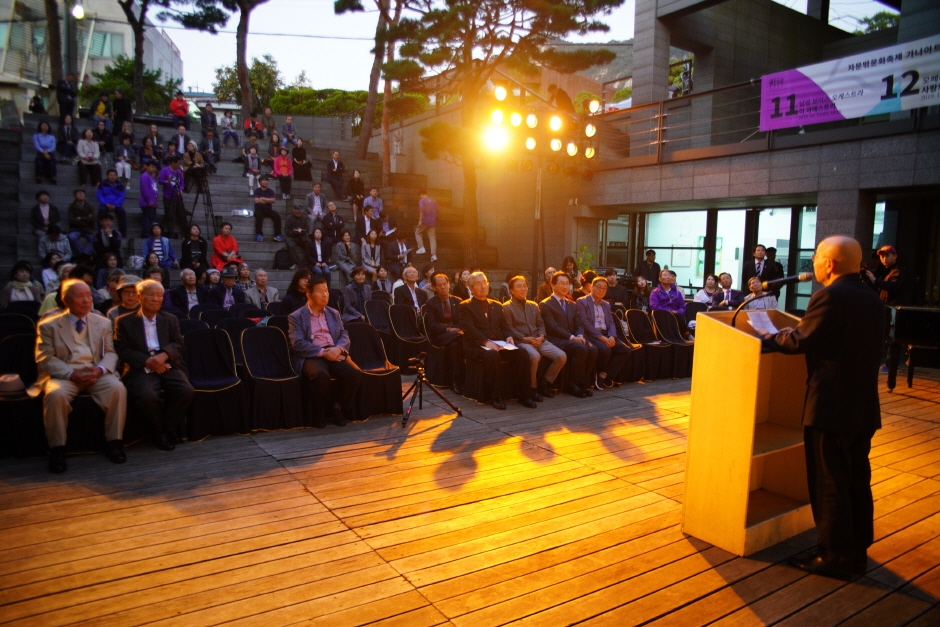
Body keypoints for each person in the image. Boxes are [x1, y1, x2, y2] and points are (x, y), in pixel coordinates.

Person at [761, 236, 884, 581]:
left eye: (815, 257)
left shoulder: (830, 295)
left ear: (829, 264)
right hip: (862, 407)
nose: (813, 263)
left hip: (830, 406)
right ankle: (856, 548)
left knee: (830, 481)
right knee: (857, 479)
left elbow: (801, 339)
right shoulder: (871, 299)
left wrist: (767, 338)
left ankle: (835, 556)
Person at [37, 279, 127, 473]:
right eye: (80, 296)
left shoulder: (102, 322)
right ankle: (57, 448)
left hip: (96, 372)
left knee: (117, 388)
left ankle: (114, 442)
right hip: (65, 374)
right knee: (55, 395)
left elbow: (111, 353)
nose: (87, 301)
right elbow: (46, 358)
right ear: (64, 299)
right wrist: (70, 374)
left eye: (88, 296)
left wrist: (101, 370)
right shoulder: (49, 325)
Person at [115, 279, 194, 451]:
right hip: (140, 366)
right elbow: (123, 349)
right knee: (147, 395)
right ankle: (160, 432)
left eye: (160, 296)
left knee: (186, 390)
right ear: (139, 297)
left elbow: (179, 344)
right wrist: (148, 361)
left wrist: (164, 355)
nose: (156, 299)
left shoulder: (170, 319)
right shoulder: (124, 322)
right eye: (151, 295)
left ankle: (169, 428)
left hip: (167, 363)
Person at [288, 274, 363, 427]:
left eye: (327, 291)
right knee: (320, 376)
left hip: (334, 351)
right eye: (320, 291)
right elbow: (298, 343)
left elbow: (343, 334)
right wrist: (323, 353)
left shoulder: (333, 313)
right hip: (312, 354)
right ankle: (318, 412)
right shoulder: (296, 317)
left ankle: (337, 407)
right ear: (309, 294)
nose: (325, 295)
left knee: (354, 374)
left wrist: (339, 348)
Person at [459, 272, 535, 410]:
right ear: (470, 288)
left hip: (499, 343)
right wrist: (485, 342)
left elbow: (504, 327)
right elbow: (469, 329)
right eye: (478, 284)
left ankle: (524, 395)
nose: (483, 286)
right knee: (492, 355)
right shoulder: (465, 306)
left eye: (485, 282)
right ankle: (496, 396)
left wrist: (508, 336)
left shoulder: (496, 305)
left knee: (522, 353)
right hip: (476, 346)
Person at [503, 275, 567, 400]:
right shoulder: (506, 307)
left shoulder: (533, 305)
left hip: (539, 339)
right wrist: (526, 339)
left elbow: (540, 323)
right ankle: (532, 388)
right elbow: (510, 329)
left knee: (561, 356)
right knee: (534, 356)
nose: (523, 289)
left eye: (525, 286)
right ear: (512, 290)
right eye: (519, 286)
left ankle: (545, 383)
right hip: (522, 341)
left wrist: (542, 336)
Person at [539, 271, 596, 398]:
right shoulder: (546, 304)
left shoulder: (572, 304)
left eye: (567, 284)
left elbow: (579, 323)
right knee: (581, 349)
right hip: (556, 339)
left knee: (593, 349)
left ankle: (583, 384)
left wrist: (580, 335)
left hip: (573, 338)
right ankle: (572, 385)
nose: (565, 287)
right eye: (561, 283)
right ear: (552, 285)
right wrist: (572, 337)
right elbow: (552, 327)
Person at [576, 276, 636, 389]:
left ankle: (604, 374)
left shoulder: (606, 304)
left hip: (606, 334)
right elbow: (585, 323)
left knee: (626, 350)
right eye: (598, 287)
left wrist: (612, 336)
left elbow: (611, 323)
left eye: (604, 288)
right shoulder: (582, 301)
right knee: (605, 349)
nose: (601, 290)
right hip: (591, 334)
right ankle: (595, 375)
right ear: (591, 287)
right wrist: (601, 338)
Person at [423, 272, 465, 393]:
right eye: (439, 285)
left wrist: (455, 329)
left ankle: (455, 381)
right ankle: (457, 381)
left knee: (455, 346)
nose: (443, 287)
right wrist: (448, 329)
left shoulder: (458, 301)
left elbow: (462, 321)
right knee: (461, 337)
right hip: (440, 336)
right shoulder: (430, 303)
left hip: (456, 335)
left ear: (449, 284)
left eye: (444, 284)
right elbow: (432, 325)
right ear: (434, 287)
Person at [158, 156, 186, 238]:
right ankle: (171, 233)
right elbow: (160, 180)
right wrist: (167, 181)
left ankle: (186, 232)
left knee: (182, 214)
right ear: (173, 163)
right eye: (178, 163)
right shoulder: (165, 170)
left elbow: (182, 183)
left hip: (178, 196)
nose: (179, 165)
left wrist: (181, 189)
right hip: (168, 196)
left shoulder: (179, 172)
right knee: (170, 215)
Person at [97, 168, 127, 236]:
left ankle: (123, 233)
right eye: (110, 175)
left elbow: (121, 196)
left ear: (116, 176)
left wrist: (115, 205)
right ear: (107, 176)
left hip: (116, 204)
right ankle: (100, 232)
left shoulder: (120, 186)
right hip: (105, 204)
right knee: (101, 212)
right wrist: (105, 204)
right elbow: (100, 195)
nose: (112, 176)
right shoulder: (102, 185)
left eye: (114, 175)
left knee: (122, 212)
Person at [253, 176, 284, 242]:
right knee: (259, 216)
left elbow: (273, 200)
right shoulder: (257, 190)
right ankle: (259, 234)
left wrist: (263, 198)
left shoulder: (270, 191)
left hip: (268, 210)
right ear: (260, 182)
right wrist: (267, 201)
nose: (265, 182)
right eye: (263, 180)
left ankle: (277, 235)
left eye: (266, 180)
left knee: (277, 216)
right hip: (259, 209)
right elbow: (257, 201)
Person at [67, 188, 96, 257]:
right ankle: (82, 253)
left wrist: (80, 218)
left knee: (95, 238)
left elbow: (93, 218)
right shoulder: (71, 207)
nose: (81, 195)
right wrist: (87, 219)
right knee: (71, 237)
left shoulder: (89, 206)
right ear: (75, 196)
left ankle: (85, 253)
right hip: (76, 228)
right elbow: (72, 220)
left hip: (89, 229)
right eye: (79, 193)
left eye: (82, 193)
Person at [415, 189, 439, 262]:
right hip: (432, 221)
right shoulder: (433, 201)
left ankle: (421, 248)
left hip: (425, 220)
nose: (420, 197)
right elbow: (438, 209)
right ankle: (433, 255)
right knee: (432, 238)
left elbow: (422, 210)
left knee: (418, 232)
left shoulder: (422, 200)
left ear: (421, 194)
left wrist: (420, 220)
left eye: (420, 196)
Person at [284, 204, 309, 271]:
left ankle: (307, 263)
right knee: (291, 245)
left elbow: (307, 229)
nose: (298, 214)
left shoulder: (304, 218)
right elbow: (286, 230)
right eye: (297, 212)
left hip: (302, 236)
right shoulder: (289, 218)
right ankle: (295, 263)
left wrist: (302, 231)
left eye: (300, 213)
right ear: (293, 211)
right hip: (292, 236)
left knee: (309, 245)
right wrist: (293, 232)